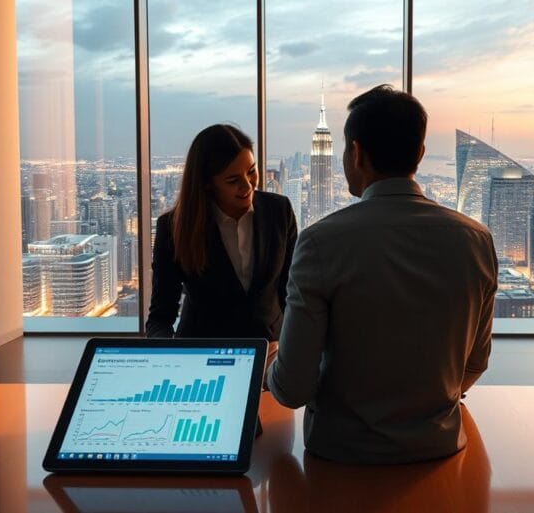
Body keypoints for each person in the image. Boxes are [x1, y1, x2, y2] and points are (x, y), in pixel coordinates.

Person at [268, 85, 499, 464]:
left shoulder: (320, 243)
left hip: (339, 454)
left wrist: (269, 372)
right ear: (420, 154)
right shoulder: (476, 240)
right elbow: (475, 363)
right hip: (439, 452)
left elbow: (292, 389)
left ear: (355, 153)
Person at [146, 124, 297, 346]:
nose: (248, 185)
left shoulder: (279, 211)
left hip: (271, 354)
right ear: (207, 184)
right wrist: (170, 357)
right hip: (203, 356)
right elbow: (161, 316)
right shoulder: (174, 227)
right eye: (233, 180)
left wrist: (289, 347)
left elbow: (292, 291)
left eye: (251, 171)